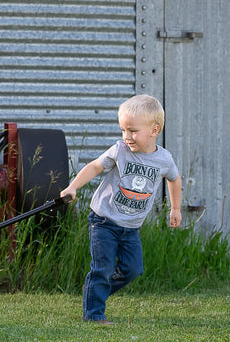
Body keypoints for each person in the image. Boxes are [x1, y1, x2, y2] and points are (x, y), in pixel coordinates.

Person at [60, 95, 182, 324]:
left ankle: (94, 289)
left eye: (133, 131)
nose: (126, 136)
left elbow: (174, 179)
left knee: (133, 269)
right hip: (103, 220)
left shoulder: (164, 159)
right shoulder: (120, 150)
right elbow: (95, 166)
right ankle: (94, 314)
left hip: (131, 227)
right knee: (103, 267)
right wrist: (73, 187)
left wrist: (175, 209)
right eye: (123, 130)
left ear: (154, 130)